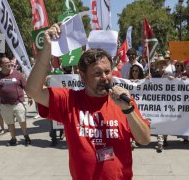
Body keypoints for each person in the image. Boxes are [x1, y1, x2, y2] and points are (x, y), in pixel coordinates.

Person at [25, 23, 150, 180]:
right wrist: (47, 51)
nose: (104, 77)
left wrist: (128, 110)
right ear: (83, 77)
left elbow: (145, 139)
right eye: (97, 73)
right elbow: (32, 91)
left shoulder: (124, 100)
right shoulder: (69, 100)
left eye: (107, 71)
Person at [0, 57, 32, 146]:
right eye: (7, 62)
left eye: (10, 62)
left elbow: (25, 86)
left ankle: (26, 137)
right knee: (10, 123)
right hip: (5, 104)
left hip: (18, 102)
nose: (10, 64)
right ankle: (13, 139)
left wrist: (30, 97)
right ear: (1, 65)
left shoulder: (17, 74)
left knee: (22, 121)